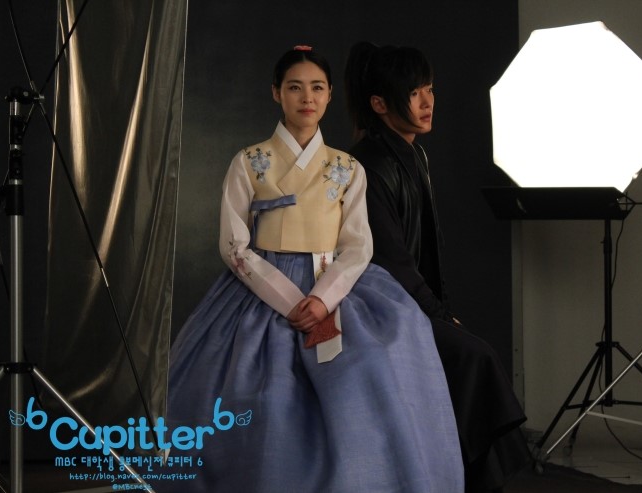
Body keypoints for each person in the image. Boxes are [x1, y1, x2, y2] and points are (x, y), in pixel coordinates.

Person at [155, 46, 464, 493]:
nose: (307, 98)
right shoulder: (248, 161)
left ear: (330, 94)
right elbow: (234, 245)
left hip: (333, 282)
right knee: (255, 392)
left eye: (317, 88)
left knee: (379, 361)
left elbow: (358, 245)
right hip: (261, 284)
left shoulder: (348, 168)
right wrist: (290, 301)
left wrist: (322, 298)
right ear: (276, 93)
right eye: (295, 87)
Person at [345, 42, 531, 493]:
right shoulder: (368, 164)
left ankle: (469, 477)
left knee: (470, 357)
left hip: (412, 300)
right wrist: (438, 314)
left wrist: (440, 310)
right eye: (414, 93)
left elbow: (426, 251)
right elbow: (390, 261)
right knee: (473, 356)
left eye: (429, 89)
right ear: (380, 104)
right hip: (376, 303)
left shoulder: (415, 154)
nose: (427, 102)